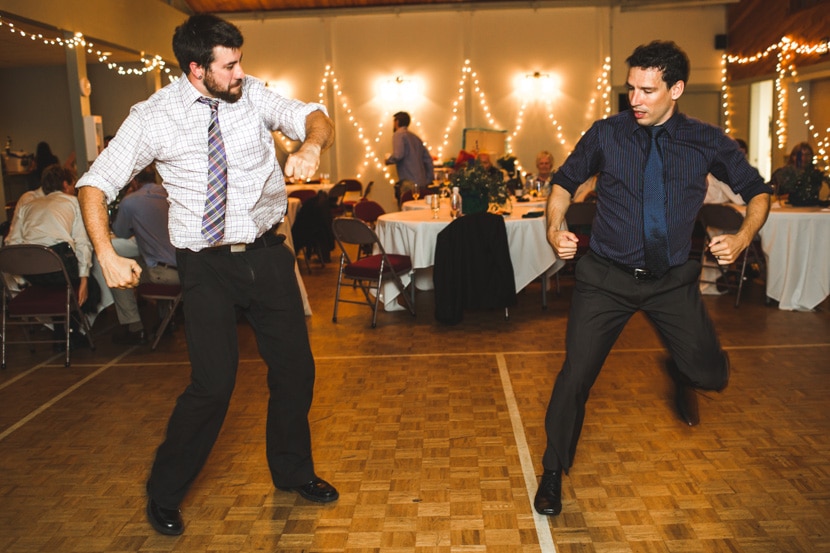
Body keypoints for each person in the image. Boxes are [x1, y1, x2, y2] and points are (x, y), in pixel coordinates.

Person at [76, 14, 338, 536]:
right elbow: (95, 183)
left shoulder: (253, 95)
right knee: (213, 385)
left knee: (296, 371)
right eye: (230, 64)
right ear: (197, 69)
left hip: (265, 255)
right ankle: (164, 491)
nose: (241, 71)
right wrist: (105, 251)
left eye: (240, 60)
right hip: (206, 265)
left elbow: (314, 114)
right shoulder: (154, 117)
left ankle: (292, 471)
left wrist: (310, 146)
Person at [535, 40, 771, 518]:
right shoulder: (607, 133)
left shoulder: (706, 140)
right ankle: (553, 471)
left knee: (711, 374)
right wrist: (554, 227)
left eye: (647, 90)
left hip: (671, 280)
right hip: (605, 277)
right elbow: (563, 182)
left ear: (676, 89)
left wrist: (744, 236)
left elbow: (757, 191)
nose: (635, 100)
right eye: (630, 89)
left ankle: (682, 372)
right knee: (575, 376)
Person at [6, 164, 99, 322]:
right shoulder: (74, 202)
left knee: (59, 286)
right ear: (65, 184)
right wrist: (84, 278)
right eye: (72, 184)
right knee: (94, 288)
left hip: (32, 273)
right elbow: (83, 242)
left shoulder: (27, 207)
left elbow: (13, 243)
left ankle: (62, 330)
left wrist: (21, 280)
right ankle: (74, 330)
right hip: (61, 270)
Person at [108, 165, 179, 344]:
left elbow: (121, 232)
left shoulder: (131, 201)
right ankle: (166, 319)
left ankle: (134, 326)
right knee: (152, 259)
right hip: (187, 268)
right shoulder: (171, 194)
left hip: (163, 273)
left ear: (133, 180)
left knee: (119, 272)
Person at [385, 111, 434, 201]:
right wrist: (428, 179)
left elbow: (398, 155)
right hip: (422, 182)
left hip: (408, 183)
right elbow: (428, 160)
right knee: (420, 212)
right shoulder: (416, 137)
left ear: (397, 122)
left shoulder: (398, 134)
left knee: (407, 211)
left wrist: (388, 160)